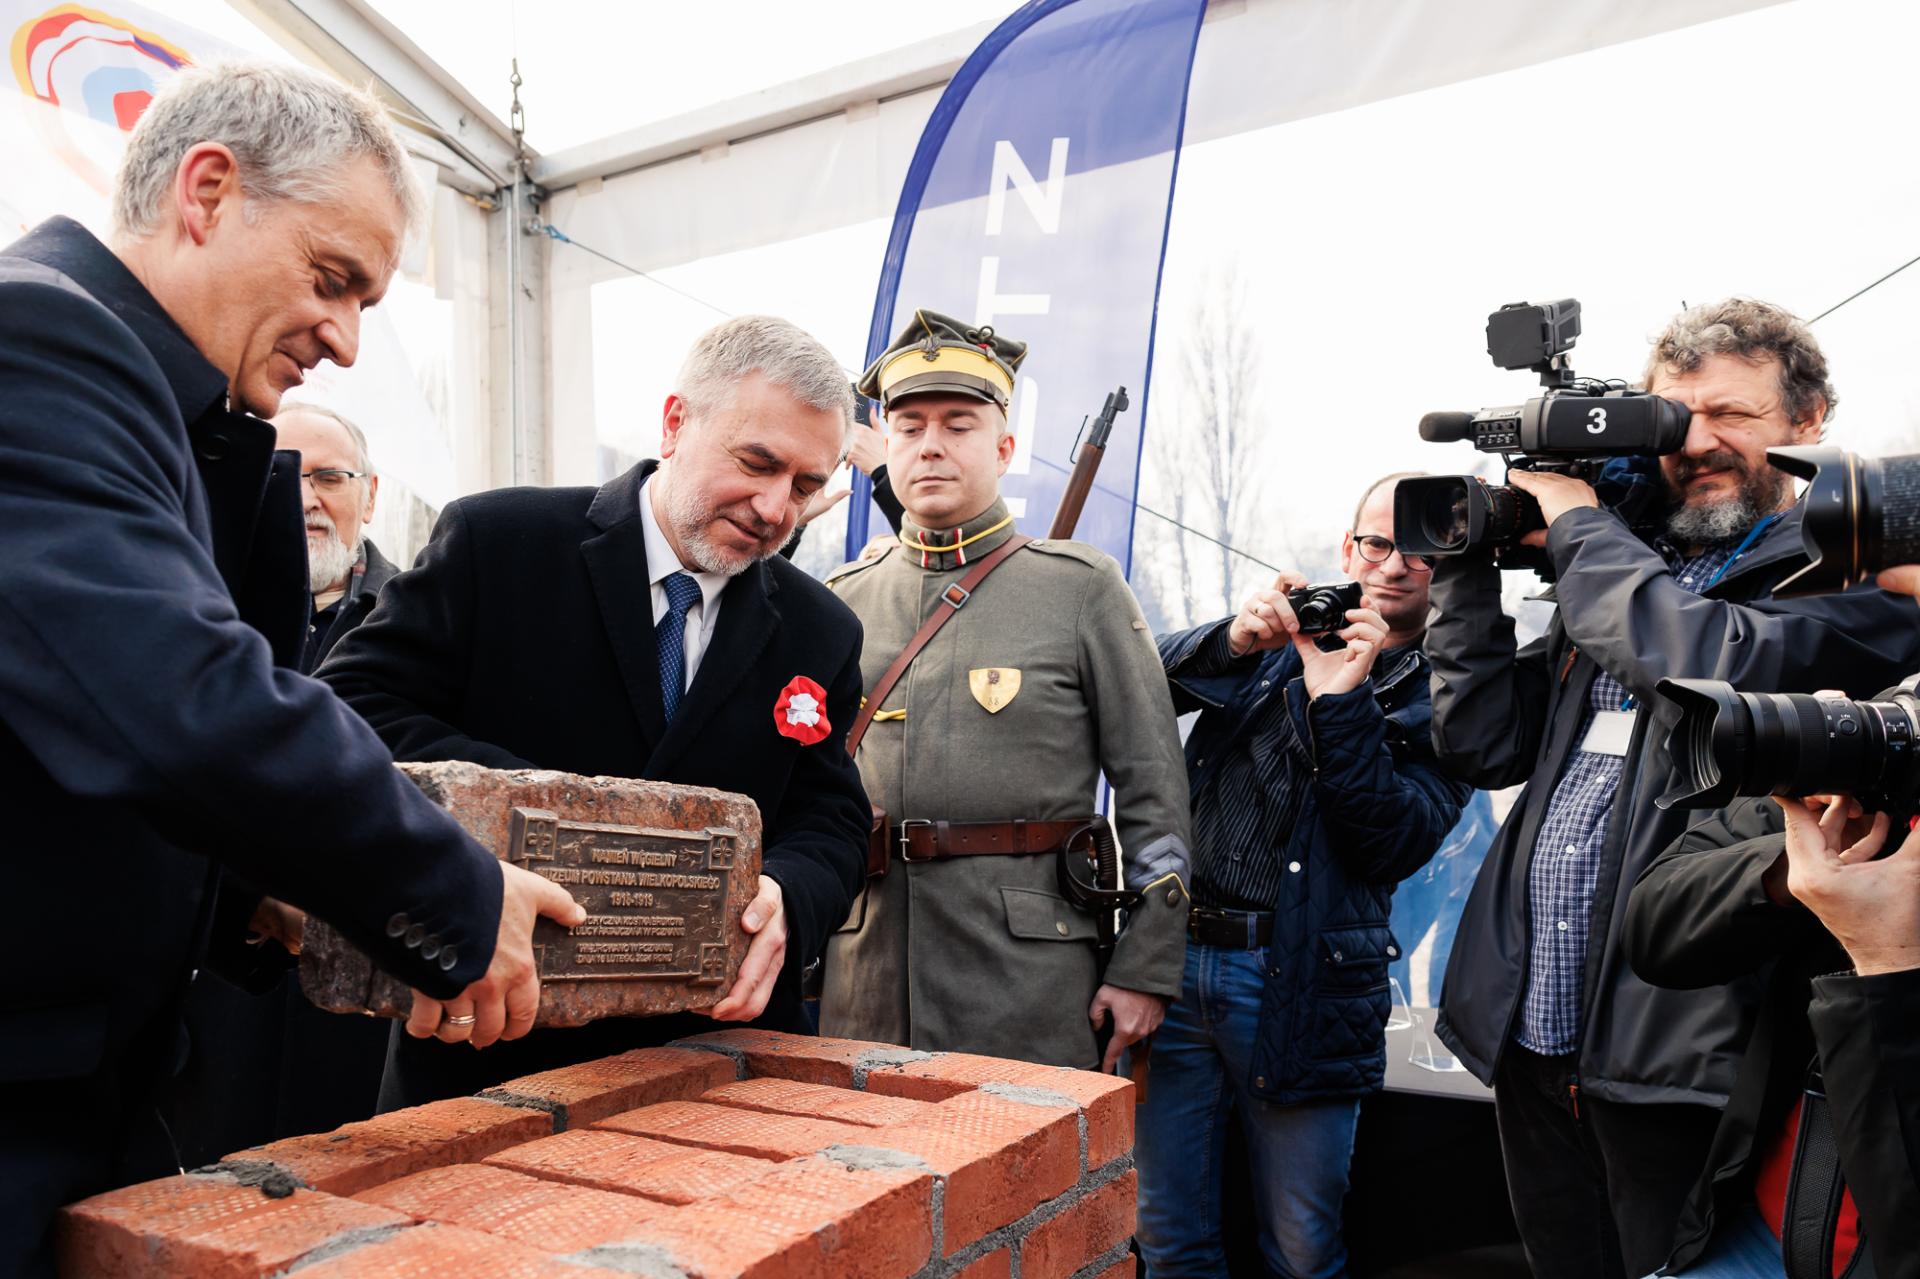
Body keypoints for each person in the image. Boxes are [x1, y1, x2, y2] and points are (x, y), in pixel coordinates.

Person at [0, 63, 580, 1277]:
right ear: (206, 192)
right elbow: (179, 700)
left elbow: (56, 751)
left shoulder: (153, 404)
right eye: (333, 280)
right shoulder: (35, 340)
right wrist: (457, 892)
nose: (348, 341)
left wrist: (253, 898)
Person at [1425, 297, 1920, 1279]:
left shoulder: (1857, 576)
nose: (1698, 442)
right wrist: (1465, 567)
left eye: (1733, 414)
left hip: (1690, 1057)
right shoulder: (1627, 566)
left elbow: (1709, 657)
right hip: (1538, 1030)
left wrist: (1574, 521)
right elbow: (1483, 742)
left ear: (1810, 419)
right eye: (1671, 418)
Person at [322, 314, 871, 1109]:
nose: (775, 506)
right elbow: (351, 706)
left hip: (715, 1070)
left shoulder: (823, 629)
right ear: (676, 422)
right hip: (494, 1044)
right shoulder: (499, 540)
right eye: (758, 463)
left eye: (808, 485)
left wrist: (790, 892)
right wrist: (556, 813)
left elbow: (833, 819)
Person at [815, 309, 1192, 1072]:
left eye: (959, 424)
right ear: (884, 446)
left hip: (1028, 985)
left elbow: (1153, 789)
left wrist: (1145, 966)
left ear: (1005, 446)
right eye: (910, 425)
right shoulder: (841, 601)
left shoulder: (1079, 590)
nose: (930, 444)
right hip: (865, 980)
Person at [1139, 474, 1473, 1279]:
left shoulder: (1455, 695)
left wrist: (1341, 703)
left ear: (1454, 567)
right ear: (1348, 549)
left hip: (1304, 986)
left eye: (1423, 551)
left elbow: (1389, 840)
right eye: (1378, 542)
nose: (1395, 565)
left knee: (1300, 1247)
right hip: (1177, 963)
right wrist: (1234, 638)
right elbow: (1139, 687)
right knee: (1164, 1232)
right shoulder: (1286, 643)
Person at [165, 403, 403, 1166]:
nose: (304, 496)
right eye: (284, 475)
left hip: (367, 1004)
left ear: (370, 496)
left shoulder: (423, 617)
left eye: (328, 477)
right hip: (225, 986)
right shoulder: (196, 620)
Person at [1625, 784, 1918, 1279]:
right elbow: (1652, 927)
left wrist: (1888, 959)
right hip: (1758, 1232)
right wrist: (1794, 868)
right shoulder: (1888, 759)